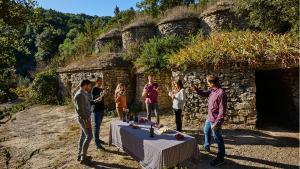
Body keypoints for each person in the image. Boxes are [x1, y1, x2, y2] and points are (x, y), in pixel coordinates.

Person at [192, 75, 227, 167]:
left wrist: (217, 123)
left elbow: (222, 111)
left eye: (208, 82)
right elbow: (204, 93)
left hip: (215, 120)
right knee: (206, 131)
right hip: (209, 118)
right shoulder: (212, 90)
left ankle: (220, 158)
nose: (207, 83)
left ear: (212, 83)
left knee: (217, 138)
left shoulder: (221, 93)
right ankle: (206, 146)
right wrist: (197, 90)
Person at [74, 79, 101, 164]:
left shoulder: (84, 93)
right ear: (85, 85)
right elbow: (80, 110)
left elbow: (89, 103)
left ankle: (80, 155)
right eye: (89, 86)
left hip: (86, 118)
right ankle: (83, 157)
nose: (90, 88)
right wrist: (86, 120)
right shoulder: (79, 95)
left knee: (83, 136)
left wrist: (98, 99)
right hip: (84, 119)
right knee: (89, 136)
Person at [91, 77, 107, 150]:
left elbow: (102, 99)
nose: (101, 82)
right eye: (100, 81)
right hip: (96, 110)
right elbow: (93, 100)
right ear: (96, 82)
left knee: (99, 126)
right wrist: (101, 95)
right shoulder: (94, 89)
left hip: (101, 109)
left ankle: (98, 139)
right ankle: (97, 144)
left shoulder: (101, 89)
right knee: (96, 126)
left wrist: (104, 93)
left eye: (101, 81)